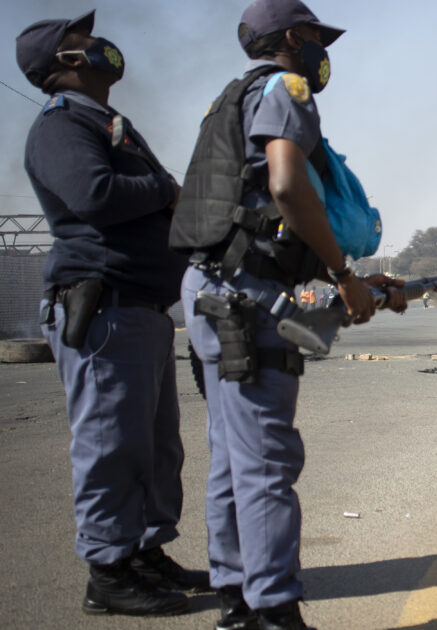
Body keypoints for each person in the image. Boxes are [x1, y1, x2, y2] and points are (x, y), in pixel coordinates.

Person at [172, 1, 404, 628]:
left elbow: (255, 221)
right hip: (243, 299)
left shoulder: (230, 96)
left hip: (211, 288)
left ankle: (238, 596)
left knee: (233, 452)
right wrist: (343, 274)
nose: (321, 52)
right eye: (317, 40)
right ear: (294, 38)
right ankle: (272, 610)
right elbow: (286, 187)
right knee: (267, 460)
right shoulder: (285, 87)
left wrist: (355, 279)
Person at [17, 9, 209, 617]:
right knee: (110, 446)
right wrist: (165, 189)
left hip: (142, 310)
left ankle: (144, 552)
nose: (99, 46)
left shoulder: (107, 121)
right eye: (83, 42)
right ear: (62, 64)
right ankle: (108, 571)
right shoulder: (62, 125)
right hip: (104, 308)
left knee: (154, 448)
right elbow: (92, 196)